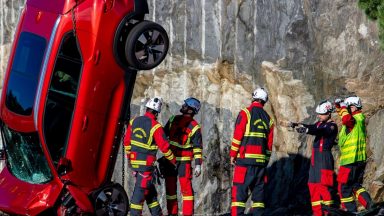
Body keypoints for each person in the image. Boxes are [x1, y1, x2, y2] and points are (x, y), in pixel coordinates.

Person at [124, 97, 176, 216]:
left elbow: (127, 143)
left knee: (150, 195)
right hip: (146, 168)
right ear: (156, 113)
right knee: (137, 199)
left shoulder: (134, 121)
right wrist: (174, 161)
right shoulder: (156, 127)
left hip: (135, 166)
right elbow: (165, 148)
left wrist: (130, 159)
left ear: (147, 109)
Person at [230, 87, 274, 216]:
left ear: (253, 97)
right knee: (258, 198)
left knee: (239, 194)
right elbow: (269, 145)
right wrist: (264, 162)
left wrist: (233, 155)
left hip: (244, 161)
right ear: (264, 101)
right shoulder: (269, 119)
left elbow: (238, 135)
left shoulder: (246, 113)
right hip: (260, 164)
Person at [293, 101, 339, 216]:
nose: (319, 116)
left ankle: (329, 212)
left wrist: (307, 131)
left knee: (323, 186)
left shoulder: (332, 126)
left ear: (329, 113)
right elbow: (312, 127)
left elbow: (321, 131)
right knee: (312, 185)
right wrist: (298, 124)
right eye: (318, 114)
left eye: (321, 114)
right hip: (315, 157)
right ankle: (317, 213)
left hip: (324, 157)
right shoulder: (319, 124)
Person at [162, 97, 203, 216]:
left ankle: (187, 214)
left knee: (186, 191)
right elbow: (162, 137)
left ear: (190, 110)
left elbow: (197, 148)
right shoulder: (172, 119)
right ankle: (172, 213)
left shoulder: (195, 127)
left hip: (183, 162)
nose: (182, 106)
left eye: (185, 105)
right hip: (171, 160)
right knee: (170, 190)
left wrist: (198, 164)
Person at [334, 96, 372, 212]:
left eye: (349, 107)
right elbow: (344, 117)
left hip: (349, 161)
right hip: (357, 161)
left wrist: (343, 106)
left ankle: (350, 211)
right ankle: (371, 208)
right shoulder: (357, 118)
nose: (347, 110)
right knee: (356, 186)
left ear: (354, 107)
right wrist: (339, 107)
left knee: (343, 187)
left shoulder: (354, 119)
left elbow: (346, 119)